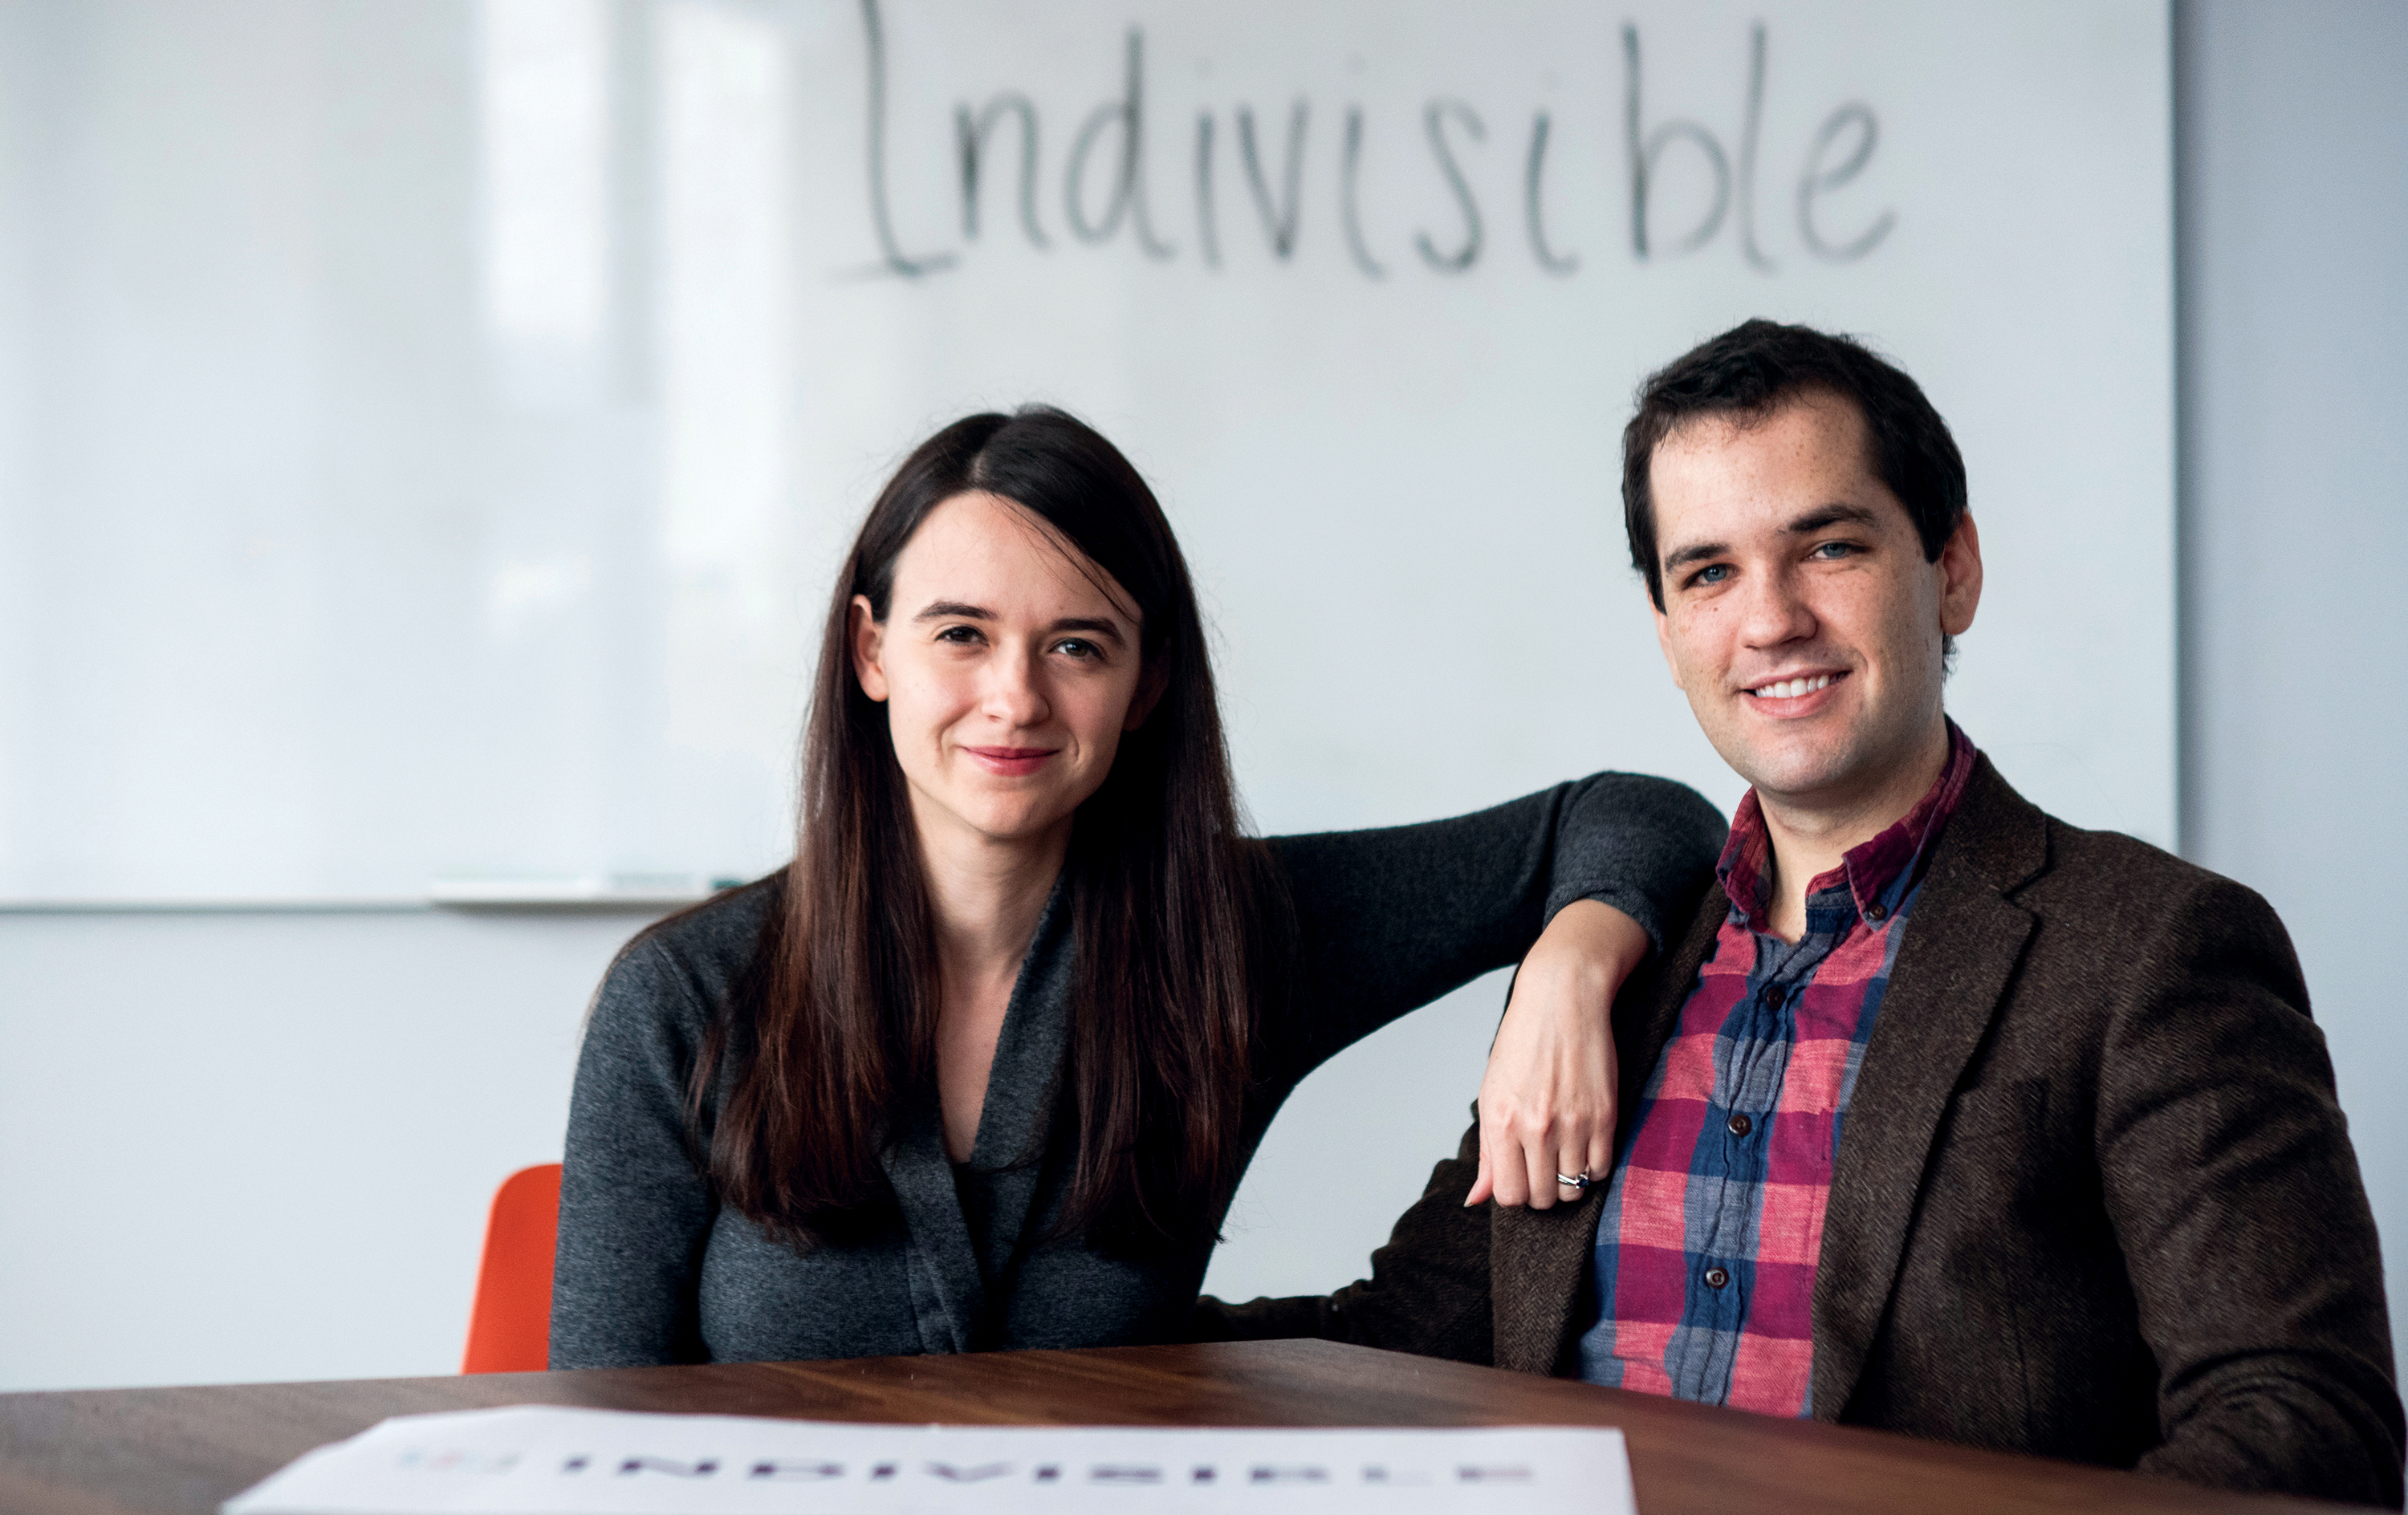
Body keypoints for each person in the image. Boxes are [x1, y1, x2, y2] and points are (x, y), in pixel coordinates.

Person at [1194, 322, 2406, 1506]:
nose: (1769, 618)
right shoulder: (1615, 962)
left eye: (1827, 546)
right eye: (1708, 571)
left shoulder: (2152, 946)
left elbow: (2304, 1420)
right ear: (1669, 635)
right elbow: (1403, 1343)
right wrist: (1046, 1340)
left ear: (1954, 570)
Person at [550, 405, 1723, 1367]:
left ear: (1147, 679)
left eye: (1076, 644)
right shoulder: (683, 997)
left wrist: (1567, 971)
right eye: (961, 634)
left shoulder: (1228, 937)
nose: (1015, 698)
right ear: (871, 651)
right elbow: (595, 1448)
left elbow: (1642, 814)